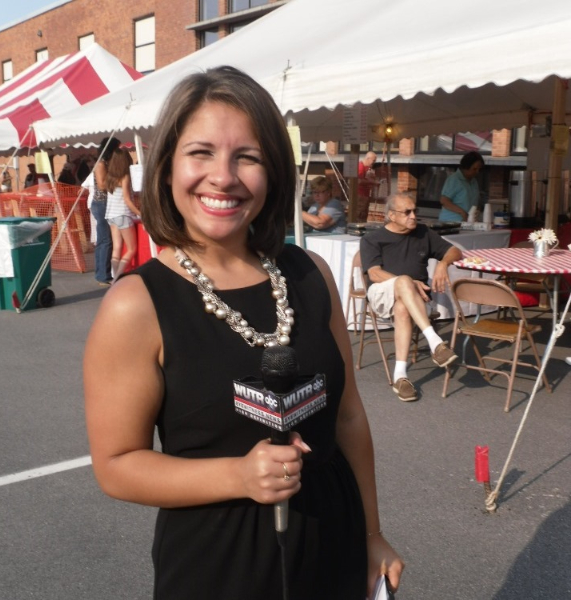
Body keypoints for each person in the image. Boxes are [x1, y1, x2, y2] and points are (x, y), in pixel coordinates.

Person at [84, 66, 403, 600]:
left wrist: (372, 534)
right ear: (167, 166)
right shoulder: (135, 305)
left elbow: (347, 416)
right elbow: (116, 466)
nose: (223, 177)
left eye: (247, 157)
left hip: (335, 542)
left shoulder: (310, 274)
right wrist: (238, 476)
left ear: (273, 170)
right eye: (201, 152)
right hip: (218, 561)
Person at [361, 193, 462, 402]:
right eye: (407, 212)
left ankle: (400, 376)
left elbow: (454, 250)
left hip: (416, 300)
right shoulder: (372, 239)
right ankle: (435, 342)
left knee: (403, 308)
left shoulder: (423, 233)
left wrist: (443, 263)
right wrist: (407, 282)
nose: (413, 216)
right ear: (391, 215)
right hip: (381, 293)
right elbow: (374, 273)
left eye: (415, 211)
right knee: (405, 281)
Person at [104, 146, 140, 284]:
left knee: (117, 247)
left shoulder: (110, 177)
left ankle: (115, 277)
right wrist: (140, 213)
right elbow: (127, 199)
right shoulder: (125, 177)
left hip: (111, 215)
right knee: (131, 249)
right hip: (123, 215)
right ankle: (118, 277)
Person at [90, 137, 121, 286]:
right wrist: (118, 181)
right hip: (102, 203)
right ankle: (103, 275)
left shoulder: (107, 163)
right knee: (106, 240)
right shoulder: (101, 163)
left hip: (105, 203)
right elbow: (102, 185)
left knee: (104, 239)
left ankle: (101, 273)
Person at [438, 151, 485, 222]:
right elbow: (444, 201)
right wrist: (462, 212)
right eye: (474, 169)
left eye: (479, 169)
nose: (477, 172)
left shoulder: (474, 181)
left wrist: (477, 210)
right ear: (466, 167)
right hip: (450, 221)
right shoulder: (454, 179)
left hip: (467, 222)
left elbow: (475, 200)